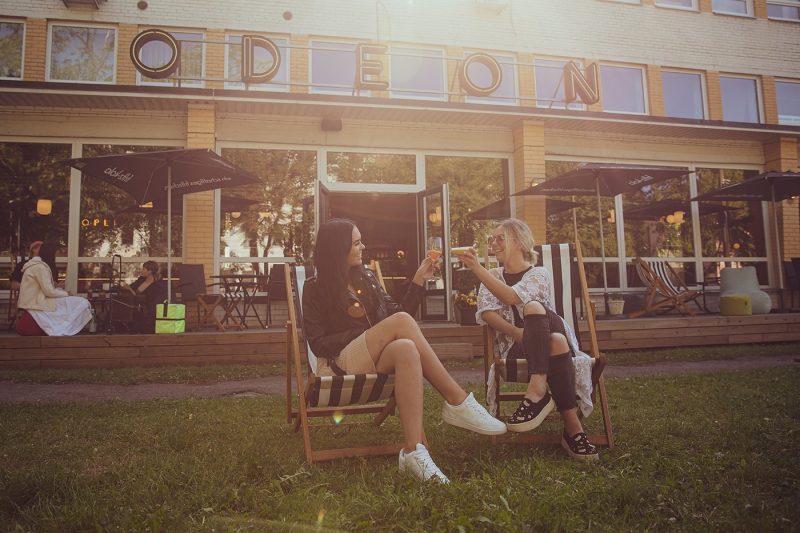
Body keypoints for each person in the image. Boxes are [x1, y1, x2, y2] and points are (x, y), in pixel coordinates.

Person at [302, 218, 506, 483]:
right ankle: (457, 401)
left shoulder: (366, 278)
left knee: (406, 348)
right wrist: (366, 335)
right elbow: (318, 343)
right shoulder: (315, 288)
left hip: (371, 356)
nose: (363, 246)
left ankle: (413, 452)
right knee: (400, 327)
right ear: (338, 248)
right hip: (337, 363)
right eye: (356, 242)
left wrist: (419, 280)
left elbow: (400, 316)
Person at [461, 218, 599, 461]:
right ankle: (573, 431)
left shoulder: (540, 273)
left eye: (500, 238)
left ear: (519, 242)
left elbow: (513, 297)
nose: (494, 243)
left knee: (533, 307)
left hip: (548, 326)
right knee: (556, 343)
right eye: (492, 239)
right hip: (522, 347)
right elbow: (486, 313)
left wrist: (476, 268)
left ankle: (537, 389)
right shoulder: (493, 275)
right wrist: (517, 334)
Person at [16, 242, 92, 336]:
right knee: (82, 302)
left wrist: (60, 290)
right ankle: (64, 327)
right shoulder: (40, 267)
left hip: (36, 301)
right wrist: (67, 294)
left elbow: (46, 289)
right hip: (37, 303)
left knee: (70, 301)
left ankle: (65, 326)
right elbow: (49, 292)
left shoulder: (37, 266)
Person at [120, 261, 167, 333]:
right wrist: (126, 287)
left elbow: (153, 302)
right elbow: (131, 288)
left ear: (150, 271)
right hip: (133, 306)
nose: (141, 271)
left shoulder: (157, 286)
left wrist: (132, 291)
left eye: (143, 269)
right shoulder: (140, 280)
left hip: (146, 311)